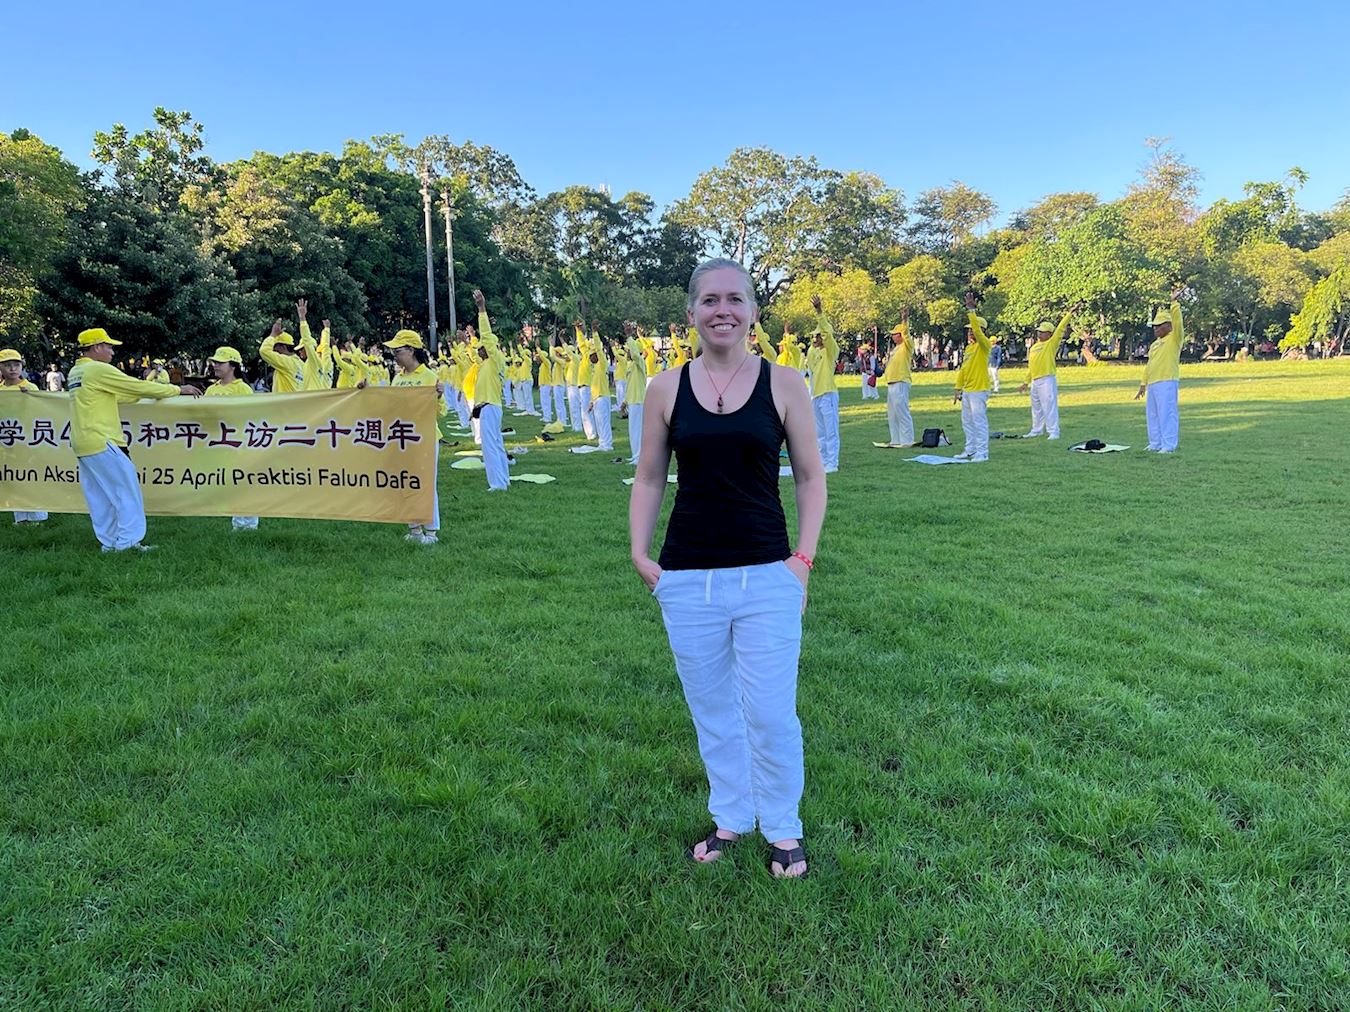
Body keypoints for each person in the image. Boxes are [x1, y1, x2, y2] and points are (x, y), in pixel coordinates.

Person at [629, 257, 826, 880]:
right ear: (691, 312)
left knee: (770, 711)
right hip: (688, 577)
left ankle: (784, 827)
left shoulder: (785, 383)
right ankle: (731, 817)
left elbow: (811, 476)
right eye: (710, 300)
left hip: (768, 573)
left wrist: (802, 560)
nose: (723, 311)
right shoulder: (665, 388)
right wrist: (640, 552)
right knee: (713, 710)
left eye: (735, 299)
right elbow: (649, 476)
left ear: (753, 312)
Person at [66, 328, 202, 551]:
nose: (112, 352)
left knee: (100, 498)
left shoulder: (76, 372)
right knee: (127, 492)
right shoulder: (97, 369)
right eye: (109, 347)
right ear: (97, 347)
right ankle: (128, 544)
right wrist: (177, 389)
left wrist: (143, 394)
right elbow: (136, 386)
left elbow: (119, 395)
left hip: (83, 442)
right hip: (102, 440)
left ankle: (109, 544)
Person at [385, 329, 447, 540]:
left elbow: (441, 413)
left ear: (411, 350)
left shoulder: (429, 377)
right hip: (403, 438)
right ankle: (414, 529)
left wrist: (439, 396)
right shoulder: (398, 378)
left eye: (398, 351)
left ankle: (431, 531)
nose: (395, 355)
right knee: (407, 483)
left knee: (426, 484)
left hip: (425, 439)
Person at [203, 346, 259, 531]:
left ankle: (246, 525)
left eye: (220, 363)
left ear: (233, 366)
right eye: (214, 362)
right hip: (216, 445)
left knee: (242, 484)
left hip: (238, 445)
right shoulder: (211, 390)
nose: (215, 365)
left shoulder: (243, 389)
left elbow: (249, 417)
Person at [1, 349, 49, 525]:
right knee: (14, 477)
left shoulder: (30, 388)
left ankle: (37, 516)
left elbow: (41, 411)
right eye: (7, 365)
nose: (12, 369)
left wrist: (29, 397)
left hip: (29, 439)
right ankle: (21, 517)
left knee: (32, 475)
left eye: (16, 365)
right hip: (7, 441)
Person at [472, 290, 510, 490]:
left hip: (491, 407)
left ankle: (497, 483)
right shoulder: (487, 363)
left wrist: (482, 309)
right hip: (489, 406)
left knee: (490, 446)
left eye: (481, 347)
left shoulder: (495, 359)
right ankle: (504, 480)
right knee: (496, 444)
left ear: (490, 347)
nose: (479, 350)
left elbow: (486, 336)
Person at [1136, 294, 1185, 452]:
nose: (1155, 329)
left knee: (1167, 414)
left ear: (1168, 326)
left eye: (1159, 325)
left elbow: (1178, 323)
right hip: (1153, 383)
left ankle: (1168, 445)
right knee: (1153, 414)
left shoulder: (1174, 339)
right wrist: (1143, 383)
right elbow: (1150, 364)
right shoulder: (1155, 345)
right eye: (1154, 326)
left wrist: (1174, 303)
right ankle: (1155, 442)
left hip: (1167, 381)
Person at [1018, 309, 1073, 439]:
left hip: (1047, 379)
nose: (1040, 334)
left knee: (1049, 406)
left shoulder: (1051, 344)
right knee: (1036, 407)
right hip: (1035, 380)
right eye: (1039, 331)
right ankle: (1036, 429)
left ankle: (1053, 431)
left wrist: (1069, 314)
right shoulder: (1034, 347)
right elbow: (1032, 367)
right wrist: (1026, 382)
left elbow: (1060, 329)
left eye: (1042, 332)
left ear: (1049, 334)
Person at [952, 293, 992, 462]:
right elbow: (963, 370)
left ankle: (982, 452)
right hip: (968, 390)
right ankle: (970, 450)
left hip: (979, 389)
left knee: (979, 421)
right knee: (967, 422)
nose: (970, 332)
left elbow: (978, 332)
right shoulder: (969, 348)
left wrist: (971, 311)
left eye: (972, 329)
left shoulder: (984, 345)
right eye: (968, 330)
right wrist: (958, 388)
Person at [804, 294, 840, 473]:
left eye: (818, 336)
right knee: (819, 432)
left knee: (830, 430)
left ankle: (832, 462)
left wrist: (819, 312)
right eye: (814, 336)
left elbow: (828, 333)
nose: (815, 339)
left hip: (827, 393)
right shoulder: (813, 352)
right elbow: (809, 362)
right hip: (815, 394)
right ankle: (823, 460)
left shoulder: (830, 352)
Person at [881, 310, 915, 446]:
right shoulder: (896, 349)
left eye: (895, 334)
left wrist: (904, 321)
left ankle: (907, 440)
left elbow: (906, 333)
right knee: (892, 414)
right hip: (891, 382)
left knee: (902, 412)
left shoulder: (906, 346)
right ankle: (895, 439)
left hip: (901, 381)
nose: (893, 336)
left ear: (900, 335)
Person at [619, 323, 647, 467]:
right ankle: (635, 455)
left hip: (639, 401)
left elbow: (636, 355)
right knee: (632, 430)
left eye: (629, 350)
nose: (628, 352)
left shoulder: (640, 363)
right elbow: (630, 386)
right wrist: (625, 401)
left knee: (637, 430)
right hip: (632, 401)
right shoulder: (631, 366)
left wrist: (630, 337)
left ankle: (639, 457)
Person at [259, 319, 307, 393]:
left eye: (275, 347)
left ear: (283, 347)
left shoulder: (285, 362)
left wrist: (273, 335)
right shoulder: (301, 364)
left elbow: (264, 351)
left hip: (285, 400)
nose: (273, 350)